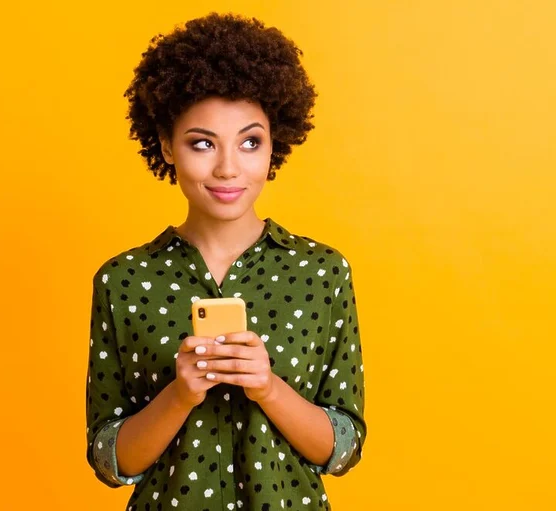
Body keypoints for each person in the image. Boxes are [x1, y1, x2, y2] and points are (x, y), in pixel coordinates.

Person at [85, 12, 366, 511]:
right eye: (201, 143)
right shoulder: (123, 280)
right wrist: (179, 395)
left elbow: (343, 449)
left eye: (250, 141)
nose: (228, 167)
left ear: (275, 144)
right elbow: (110, 461)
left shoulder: (322, 272)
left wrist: (268, 387)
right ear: (167, 146)